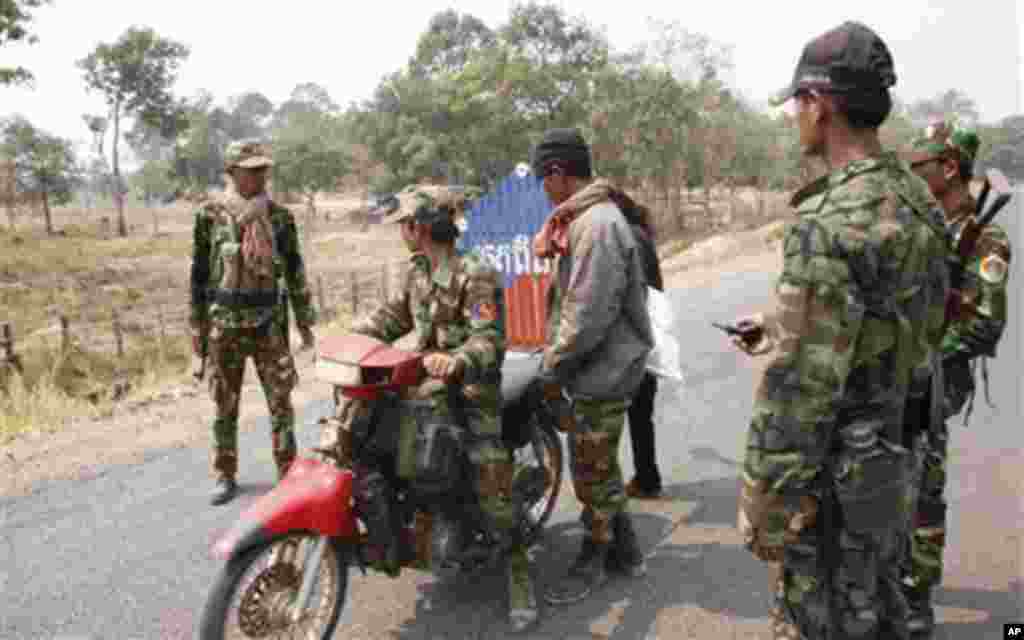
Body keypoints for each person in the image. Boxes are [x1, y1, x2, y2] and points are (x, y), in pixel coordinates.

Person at [729, 22, 950, 639]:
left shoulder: (827, 221)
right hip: (894, 469)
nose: (794, 118)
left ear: (820, 104)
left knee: (817, 620)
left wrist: (762, 503)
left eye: (797, 104)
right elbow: (909, 321)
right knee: (880, 609)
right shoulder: (916, 197)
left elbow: (800, 390)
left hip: (834, 491)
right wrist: (777, 323)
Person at [319, 189, 539, 633]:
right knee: (370, 438)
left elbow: (489, 337)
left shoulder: (474, 273)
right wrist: (350, 339)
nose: (401, 232)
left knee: (490, 481)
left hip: (471, 392)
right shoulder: (417, 270)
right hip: (423, 385)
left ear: (419, 227)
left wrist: (458, 359)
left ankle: (520, 580)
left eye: (404, 224)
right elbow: (393, 318)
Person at [530, 128, 653, 606]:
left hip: (603, 369)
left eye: (545, 179)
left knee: (590, 472)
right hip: (602, 365)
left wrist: (550, 366)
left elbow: (586, 317)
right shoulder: (585, 219)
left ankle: (593, 560)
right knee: (599, 462)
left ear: (559, 175)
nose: (544, 190)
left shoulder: (597, 226)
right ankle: (629, 553)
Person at [899, 120, 1012, 636]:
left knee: (922, 490)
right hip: (898, 379)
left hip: (935, 380)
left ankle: (916, 604)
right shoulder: (923, 228)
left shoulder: (985, 237)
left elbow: (985, 327)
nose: (912, 176)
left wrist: (925, 353)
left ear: (948, 168)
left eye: (919, 168)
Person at [190, 140, 317, 506]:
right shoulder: (209, 216)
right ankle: (224, 474)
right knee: (224, 404)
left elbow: (295, 271)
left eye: (263, 169)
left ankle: (288, 473)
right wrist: (196, 330)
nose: (259, 176)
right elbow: (198, 275)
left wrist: (304, 323)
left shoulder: (279, 217)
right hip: (223, 324)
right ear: (231, 172)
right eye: (251, 170)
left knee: (281, 401)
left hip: (269, 324)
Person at [624, 205, 664, 500]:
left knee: (637, 410)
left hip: (640, 334)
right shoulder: (641, 235)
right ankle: (647, 477)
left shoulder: (632, 239)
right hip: (649, 331)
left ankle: (647, 479)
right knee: (641, 411)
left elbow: (639, 289)